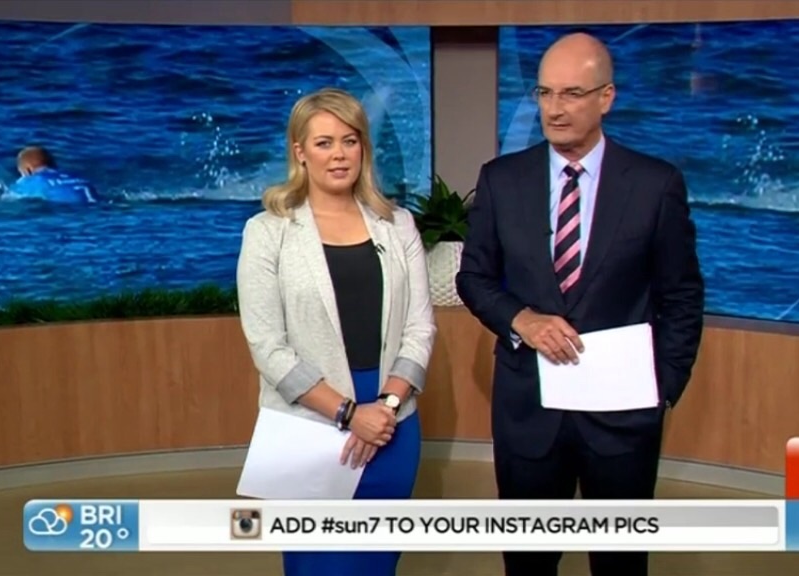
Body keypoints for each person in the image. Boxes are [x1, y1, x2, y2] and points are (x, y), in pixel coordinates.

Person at [455, 33, 705, 576]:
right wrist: (520, 319)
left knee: (619, 564)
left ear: (606, 97)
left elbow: (682, 295)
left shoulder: (655, 185)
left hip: (622, 416)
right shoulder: (502, 180)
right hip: (528, 411)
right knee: (528, 563)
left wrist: (661, 389)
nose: (554, 108)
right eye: (545, 93)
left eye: (571, 93)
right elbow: (473, 277)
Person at [235, 87, 436, 576]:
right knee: (319, 564)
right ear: (300, 152)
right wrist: (348, 413)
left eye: (350, 140)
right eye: (324, 143)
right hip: (308, 422)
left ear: (363, 147)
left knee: (376, 564)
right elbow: (267, 346)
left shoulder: (398, 225)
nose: (339, 154)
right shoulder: (268, 231)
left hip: (392, 420)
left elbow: (420, 328)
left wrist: (385, 408)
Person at [8, 146, 98, 203]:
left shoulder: (31, 180)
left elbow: (9, 198)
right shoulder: (75, 175)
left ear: (28, 170)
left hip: (69, 211)